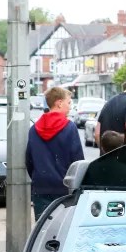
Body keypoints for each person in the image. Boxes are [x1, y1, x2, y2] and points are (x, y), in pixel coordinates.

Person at [25, 87, 84, 221]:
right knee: (62, 229)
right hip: (64, 188)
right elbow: (77, 160)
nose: (70, 107)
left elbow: (29, 160)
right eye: (68, 103)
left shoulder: (34, 129)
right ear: (59, 103)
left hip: (41, 187)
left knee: (42, 229)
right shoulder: (69, 127)